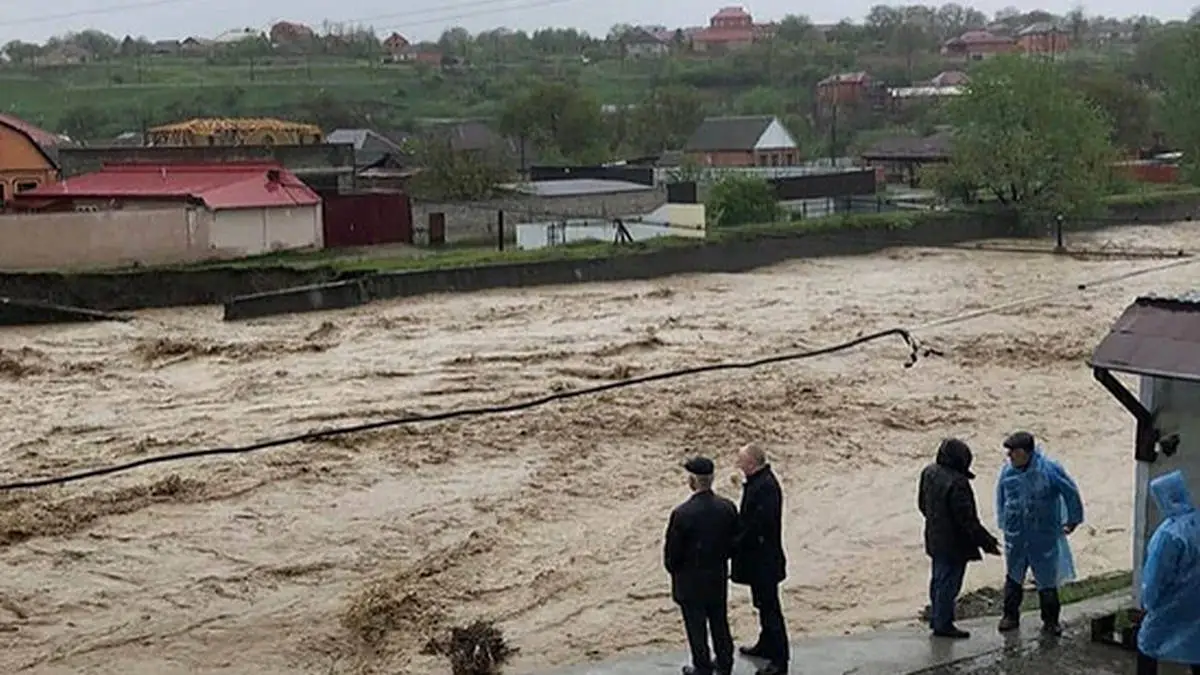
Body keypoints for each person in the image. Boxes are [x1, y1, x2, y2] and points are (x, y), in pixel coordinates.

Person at [995, 431, 1084, 635]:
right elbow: (1000, 499)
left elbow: (1071, 492)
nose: (1009, 457)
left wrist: (1072, 521)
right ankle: (1010, 616)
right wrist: (1003, 524)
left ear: (1026, 452)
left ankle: (1051, 621)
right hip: (1016, 535)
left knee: (1046, 581)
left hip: (1043, 536)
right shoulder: (1007, 472)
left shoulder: (1049, 470)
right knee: (1013, 577)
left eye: (1013, 452)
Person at [918, 438, 1003, 639]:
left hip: (934, 536)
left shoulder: (929, 472)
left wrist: (936, 522)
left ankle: (937, 618)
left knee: (938, 580)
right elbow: (967, 520)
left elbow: (922, 505)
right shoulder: (958, 483)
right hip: (954, 544)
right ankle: (943, 624)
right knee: (950, 584)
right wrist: (987, 541)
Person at [664, 456, 740, 675]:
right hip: (717, 575)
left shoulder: (682, 513)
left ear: (692, 481)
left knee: (696, 627)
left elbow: (672, 554)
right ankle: (725, 661)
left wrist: (675, 571)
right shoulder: (727, 507)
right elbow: (734, 542)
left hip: (690, 580)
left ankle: (702, 666)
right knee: (720, 621)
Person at [732, 443, 789, 675]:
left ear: (752, 463)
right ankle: (766, 645)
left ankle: (780, 659)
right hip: (761, 559)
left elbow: (758, 525)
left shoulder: (764, 487)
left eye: (742, 461)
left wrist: (734, 543)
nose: (739, 465)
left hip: (764, 561)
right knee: (763, 605)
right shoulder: (760, 483)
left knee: (770, 608)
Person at [1137, 470, 1200, 675]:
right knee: (1196, 646)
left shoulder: (1168, 534)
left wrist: (1149, 602)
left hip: (1172, 603)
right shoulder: (1196, 521)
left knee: (1148, 645)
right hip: (1196, 602)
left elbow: (1156, 575)